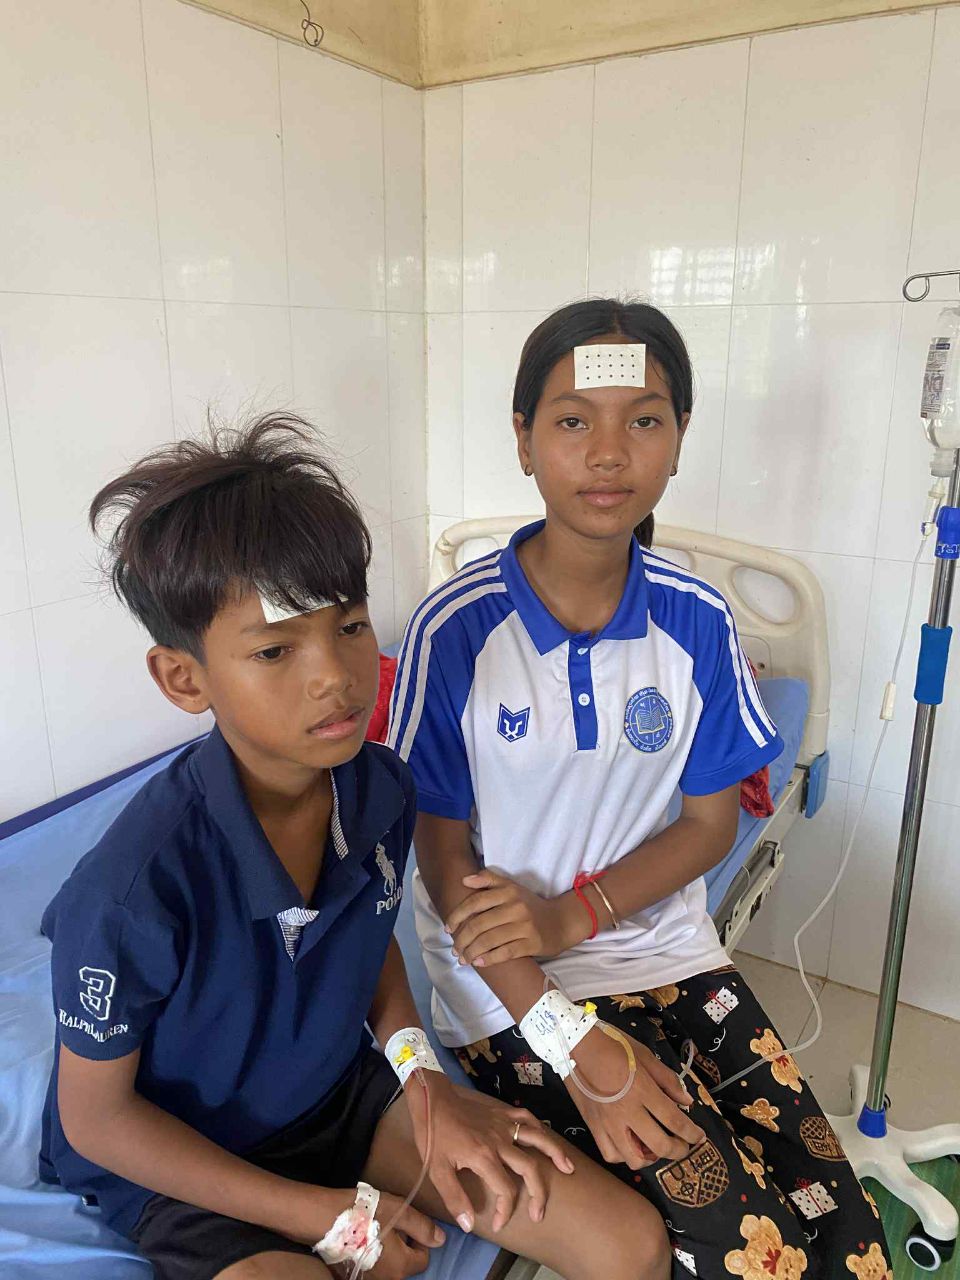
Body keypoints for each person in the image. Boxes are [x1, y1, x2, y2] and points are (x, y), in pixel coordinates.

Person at [38, 413, 673, 1280]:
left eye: (349, 626)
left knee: (627, 1244)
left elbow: (364, 941)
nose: (335, 677)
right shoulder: (133, 892)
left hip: (336, 1099)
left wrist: (424, 1081)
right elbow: (97, 1121)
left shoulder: (379, 791)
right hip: (185, 1161)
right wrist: (320, 1213)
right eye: (275, 650)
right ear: (184, 678)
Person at [390, 301, 892, 1280]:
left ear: (680, 438)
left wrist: (574, 913)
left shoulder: (699, 621)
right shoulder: (454, 631)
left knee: (847, 1235)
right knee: (753, 1252)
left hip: (663, 949)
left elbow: (709, 824)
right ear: (524, 439)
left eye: (645, 419)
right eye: (573, 419)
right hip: (508, 989)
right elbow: (443, 866)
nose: (609, 452)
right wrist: (568, 1038)